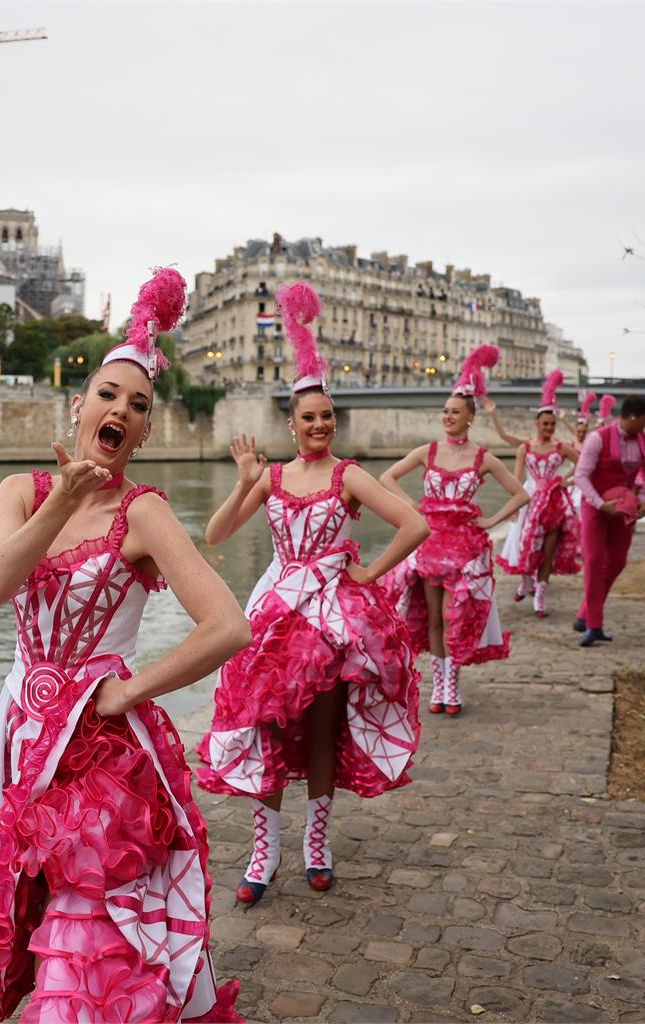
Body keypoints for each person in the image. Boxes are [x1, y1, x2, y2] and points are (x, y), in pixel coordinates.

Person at [0, 269, 247, 1023]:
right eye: (108, 394)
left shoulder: (144, 514)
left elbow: (228, 625)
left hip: (103, 752)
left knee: (87, 939)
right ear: (78, 405)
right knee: (29, 909)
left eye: (139, 405)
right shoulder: (22, 493)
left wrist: (127, 690)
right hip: (23, 733)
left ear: (147, 431)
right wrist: (63, 493)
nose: (121, 408)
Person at [196, 282, 428, 905]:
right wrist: (244, 482)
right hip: (275, 612)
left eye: (328, 416)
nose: (321, 425)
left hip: (330, 618)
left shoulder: (349, 474)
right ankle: (264, 852)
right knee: (265, 727)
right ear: (291, 424)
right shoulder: (271, 477)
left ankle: (316, 845)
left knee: (323, 732)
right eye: (310, 418)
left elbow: (416, 525)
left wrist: (368, 573)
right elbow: (216, 535)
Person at [381, 345, 529, 715]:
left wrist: (493, 521)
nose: (447, 417)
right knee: (432, 617)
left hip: (465, 548)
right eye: (445, 412)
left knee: (454, 616)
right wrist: (412, 507)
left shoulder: (483, 458)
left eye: (455, 412)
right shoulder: (427, 451)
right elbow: (387, 477)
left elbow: (521, 493)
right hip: (430, 543)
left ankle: (454, 684)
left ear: (469, 417)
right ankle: (437, 688)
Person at [573, 395, 645, 647]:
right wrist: (599, 504)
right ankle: (593, 624)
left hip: (624, 508)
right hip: (595, 507)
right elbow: (581, 475)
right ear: (633, 416)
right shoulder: (597, 438)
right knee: (594, 559)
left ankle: (584, 612)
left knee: (618, 561)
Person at [496, 371, 581, 616]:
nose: (549, 428)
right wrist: (514, 508)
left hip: (554, 502)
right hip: (530, 501)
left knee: (548, 550)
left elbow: (585, 463)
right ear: (537, 424)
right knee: (528, 546)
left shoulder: (561, 447)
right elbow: (515, 480)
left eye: (552, 424)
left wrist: (566, 480)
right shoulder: (525, 447)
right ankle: (526, 581)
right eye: (545, 424)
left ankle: (540, 596)